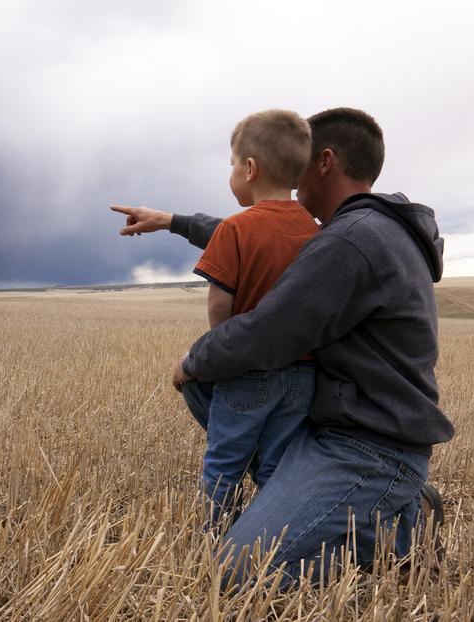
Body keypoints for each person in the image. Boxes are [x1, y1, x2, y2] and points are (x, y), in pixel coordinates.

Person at [111, 107, 453, 586]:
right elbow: (258, 236)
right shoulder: (355, 232)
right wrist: (172, 221)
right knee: (210, 388)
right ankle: (307, 500)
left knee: (235, 572)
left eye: (302, 161)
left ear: (325, 162)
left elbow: (264, 332)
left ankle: (399, 529)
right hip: (336, 426)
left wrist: (192, 361)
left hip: (370, 449)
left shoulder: (353, 241)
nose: (291, 176)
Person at [183, 109, 320, 531]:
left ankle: (216, 541)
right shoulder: (316, 230)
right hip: (303, 374)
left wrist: (221, 349)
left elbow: (219, 305)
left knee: (225, 461)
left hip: (245, 372)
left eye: (231, 164)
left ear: (250, 168)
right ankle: (269, 534)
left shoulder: (235, 230)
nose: (231, 173)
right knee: (276, 464)